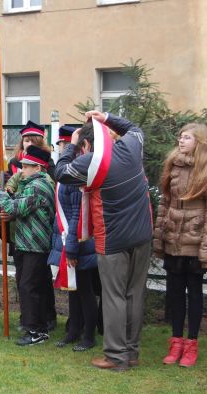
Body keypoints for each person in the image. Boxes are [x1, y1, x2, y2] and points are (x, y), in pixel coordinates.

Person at [55, 111, 153, 371]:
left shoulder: (91, 162)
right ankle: (131, 353)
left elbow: (61, 173)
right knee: (134, 294)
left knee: (114, 297)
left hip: (112, 240)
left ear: (87, 145)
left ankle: (116, 356)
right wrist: (106, 117)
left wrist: (72, 144)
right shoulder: (131, 147)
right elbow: (133, 125)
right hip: (143, 235)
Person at [153, 123, 207, 368]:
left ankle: (191, 345)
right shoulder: (173, 165)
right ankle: (175, 343)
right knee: (175, 292)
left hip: (194, 240)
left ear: (199, 142)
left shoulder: (204, 168)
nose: (181, 141)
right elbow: (165, 201)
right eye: (180, 137)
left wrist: (204, 245)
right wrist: (160, 233)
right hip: (173, 236)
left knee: (194, 292)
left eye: (187, 137)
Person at [0, 145, 55, 345]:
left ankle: (36, 331)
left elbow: (14, 207)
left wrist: (1, 194)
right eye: (22, 165)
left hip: (34, 245)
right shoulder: (33, 184)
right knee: (29, 286)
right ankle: (38, 327)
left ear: (38, 168)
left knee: (28, 287)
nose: (22, 170)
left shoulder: (37, 186)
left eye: (27, 166)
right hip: (27, 243)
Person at [49, 125, 99, 352]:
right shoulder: (71, 167)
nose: (62, 149)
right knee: (73, 288)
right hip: (69, 237)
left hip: (80, 240)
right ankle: (73, 330)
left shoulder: (79, 169)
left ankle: (88, 336)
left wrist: (71, 249)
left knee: (85, 290)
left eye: (65, 144)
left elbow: (79, 212)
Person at [4, 120, 57, 331]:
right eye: (24, 140)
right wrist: (9, 192)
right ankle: (29, 319)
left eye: (30, 140)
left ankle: (41, 321)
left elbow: (17, 203)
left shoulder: (42, 176)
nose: (26, 143)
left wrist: (5, 196)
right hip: (21, 234)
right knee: (24, 281)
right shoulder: (21, 169)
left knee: (35, 282)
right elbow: (12, 184)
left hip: (36, 236)